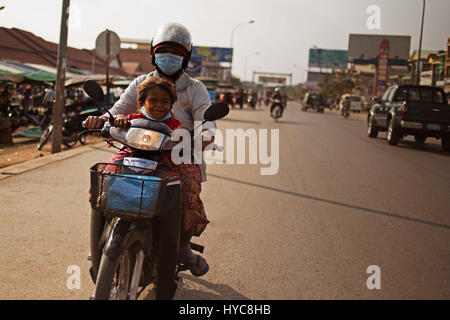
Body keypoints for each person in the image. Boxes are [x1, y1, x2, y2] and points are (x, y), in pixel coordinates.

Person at [85, 22, 214, 276]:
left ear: (186, 57)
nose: (170, 57)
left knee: (188, 195)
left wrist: (204, 135)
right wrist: (101, 120)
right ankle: (98, 243)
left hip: (178, 156)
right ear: (154, 54)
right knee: (105, 181)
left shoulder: (195, 89)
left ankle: (182, 246)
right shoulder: (141, 83)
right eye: (165, 52)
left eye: (177, 53)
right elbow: (118, 110)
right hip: (136, 150)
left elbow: (206, 123)